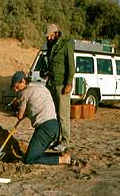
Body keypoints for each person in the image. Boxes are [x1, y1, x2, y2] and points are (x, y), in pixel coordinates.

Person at [11, 71, 72, 165]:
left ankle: (64, 160)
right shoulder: (40, 87)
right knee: (35, 154)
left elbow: (20, 116)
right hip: (55, 126)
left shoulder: (24, 93)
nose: (16, 90)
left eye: (17, 87)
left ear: (23, 81)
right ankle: (61, 155)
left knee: (29, 159)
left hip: (45, 128)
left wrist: (17, 108)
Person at [44, 23, 75, 152]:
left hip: (62, 85)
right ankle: (57, 138)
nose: (49, 38)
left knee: (63, 115)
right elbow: (51, 64)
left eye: (50, 36)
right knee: (54, 114)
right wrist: (46, 72)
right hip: (51, 83)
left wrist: (69, 83)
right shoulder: (50, 45)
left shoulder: (66, 45)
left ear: (56, 33)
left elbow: (71, 66)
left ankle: (65, 141)